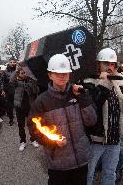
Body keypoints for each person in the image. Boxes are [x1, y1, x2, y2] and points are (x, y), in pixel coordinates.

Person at [28, 54, 97, 185]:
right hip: (58, 164)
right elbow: (34, 130)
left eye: (65, 73)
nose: (62, 76)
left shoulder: (79, 94)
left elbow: (92, 121)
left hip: (81, 161)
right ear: (50, 75)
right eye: (57, 73)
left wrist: (83, 97)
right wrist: (53, 142)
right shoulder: (41, 101)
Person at [83, 48, 123, 185]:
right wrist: (104, 83)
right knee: (88, 173)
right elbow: (93, 108)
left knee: (110, 173)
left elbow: (122, 110)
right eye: (106, 63)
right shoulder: (89, 82)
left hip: (114, 139)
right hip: (95, 140)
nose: (109, 67)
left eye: (112, 64)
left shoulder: (119, 84)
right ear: (98, 64)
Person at [10, 67, 39, 151]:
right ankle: (22, 141)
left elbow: (36, 91)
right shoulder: (16, 82)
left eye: (25, 73)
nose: (24, 74)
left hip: (30, 107)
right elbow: (11, 80)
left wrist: (32, 80)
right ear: (19, 74)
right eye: (22, 73)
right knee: (21, 125)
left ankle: (33, 139)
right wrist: (16, 71)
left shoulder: (31, 81)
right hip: (19, 107)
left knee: (32, 125)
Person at [5, 58, 17, 126]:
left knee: (18, 106)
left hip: (17, 90)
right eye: (11, 62)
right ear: (9, 62)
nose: (12, 63)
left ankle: (19, 119)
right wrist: (4, 90)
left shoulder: (18, 70)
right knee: (10, 106)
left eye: (14, 62)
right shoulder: (5, 71)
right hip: (9, 91)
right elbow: (4, 81)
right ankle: (11, 119)